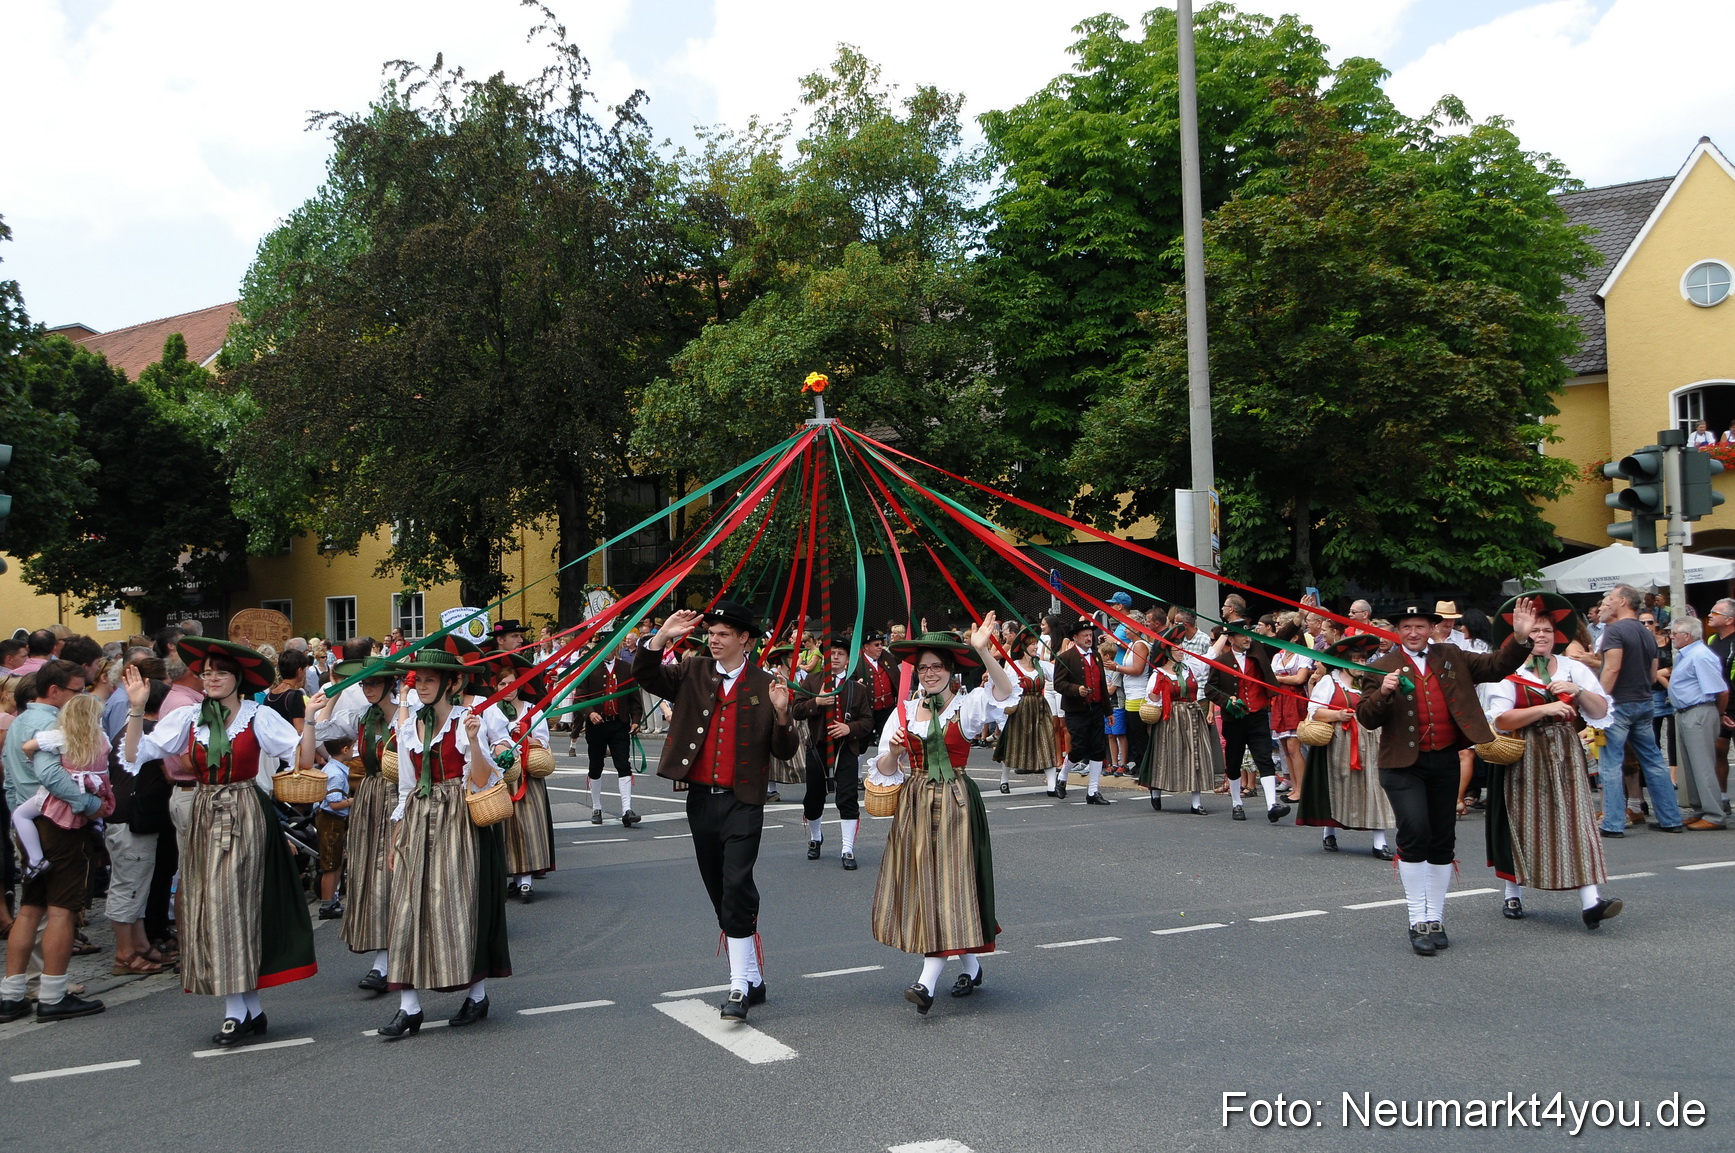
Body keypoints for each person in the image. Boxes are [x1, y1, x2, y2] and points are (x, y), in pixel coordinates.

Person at [119, 638, 317, 1042]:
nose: (211, 678)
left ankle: (238, 1010)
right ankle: (247, 1009)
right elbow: (135, 754)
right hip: (205, 811)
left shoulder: (257, 715)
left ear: (236, 678)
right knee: (214, 907)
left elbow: (302, 761)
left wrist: (310, 718)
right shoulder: (190, 718)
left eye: (220, 672)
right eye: (207, 672)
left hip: (246, 810)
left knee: (238, 904)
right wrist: (138, 708)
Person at [634, 601, 796, 1023]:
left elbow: (785, 750)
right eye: (712, 633)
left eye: (724, 634)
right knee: (717, 887)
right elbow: (645, 674)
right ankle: (753, 976)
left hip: (744, 801)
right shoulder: (693, 670)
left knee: (737, 882)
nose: (714, 639)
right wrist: (662, 636)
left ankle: (738, 987)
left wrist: (781, 714)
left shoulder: (764, 682)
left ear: (744, 639)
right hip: (702, 799)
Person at [1356, 599, 1536, 956]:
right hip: (1401, 765)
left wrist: (1519, 638)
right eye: (1406, 627)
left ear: (1433, 629)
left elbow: (1497, 666)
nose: (1413, 633)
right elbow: (1366, 717)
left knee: (1442, 841)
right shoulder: (1382, 667)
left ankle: (1435, 919)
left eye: (1420, 626)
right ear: (1397, 631)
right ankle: (1416, 920)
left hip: (1443, 761)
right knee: (1415, 832)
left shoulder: (1452, 655)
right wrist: (1384, 692)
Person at [871, 617, 1018, 1013]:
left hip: (955, 801)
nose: (930, 673)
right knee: (929, 887)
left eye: (937, 666)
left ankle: (925, 982)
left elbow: (1006, 693)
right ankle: (971, 964)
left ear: (951, 670)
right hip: (915, 802)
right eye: (923, 667)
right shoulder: (903, 712)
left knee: (948, 884)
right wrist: (896, 752)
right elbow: (884, 771)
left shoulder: (966, 705)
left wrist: (984, 649)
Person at [378, 636, 511, 1039]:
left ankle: (476, 993)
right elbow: (404, 785)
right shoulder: (408, 726)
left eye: (430, 680)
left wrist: (474, 739)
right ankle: (409, 1006)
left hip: (459, 820)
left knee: (459, 906)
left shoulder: (469, 719)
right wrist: (396, 834)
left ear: (450, 684)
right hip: (419, 817)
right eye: (419, 679)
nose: (421, 686)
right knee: (407, 907)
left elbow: (485, 780)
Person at [1482, 598, 1621, 928]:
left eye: (1547, 629)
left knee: (1578, 823)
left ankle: (1591, 902)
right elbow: (1502, 720)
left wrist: (1576, 691)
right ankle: (1512, 891)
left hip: (1565, 754)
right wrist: (1544, 709)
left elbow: (1601, 712)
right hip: (1522, 753)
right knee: (1521, 822)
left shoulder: (1574, 668)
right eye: (1534, 629)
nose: (1541, 635)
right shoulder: (1506, 671)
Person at [308, 656, 399, 991]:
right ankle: (383, 961)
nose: (368, 688)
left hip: (403, 798)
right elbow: (319, 730)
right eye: (364, 683)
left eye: (374, 683)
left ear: (390, 684)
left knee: (398, 875)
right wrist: (335, 692)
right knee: (373, 877)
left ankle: (403, 955)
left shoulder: (410, 716)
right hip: (371, 798)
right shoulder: (361, 717)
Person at [1594, 584, 1684, 836]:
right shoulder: (1647, 632)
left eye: (1610, 598)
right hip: (1644, 701)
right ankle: (1670, 818)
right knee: (1654, 760)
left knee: (1611, 763)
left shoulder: (1615, 631)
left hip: (1619, 703)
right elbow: (1653, 670)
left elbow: (1611, 669)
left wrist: (1599, 701)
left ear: (1623, 601)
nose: (1607, 602)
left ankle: (1613, 823)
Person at [1296, 634, 1396, 858]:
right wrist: (1338, 714)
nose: (1360, 665)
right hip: (1340, 744)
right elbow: (1314, 712)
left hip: (1371, 742)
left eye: (1363, 661)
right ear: (1344, 662)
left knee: (1376, 789)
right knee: (1338, 788)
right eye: (1355, 661)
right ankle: (1329, 830)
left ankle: (1379, 842)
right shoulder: (1329, 681)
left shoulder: (1370, 682)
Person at [792, 636, 873, 869]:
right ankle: (816, 837)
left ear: (848, 660)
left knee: (847, 797)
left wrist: (850, 728)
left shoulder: (856, 688)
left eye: (840, 653)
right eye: (831, 653)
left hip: (846, 749)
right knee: (813, 798)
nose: (835, 657)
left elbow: (868, 721)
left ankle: (847, 849)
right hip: (817, 747)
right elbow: (796, 710)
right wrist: (815, 702)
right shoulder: (810, 681)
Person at [484, 652, 558, 899]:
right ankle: (512, 877)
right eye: (503, 684)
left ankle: (526, 878)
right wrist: (504, 739)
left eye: (513, 683)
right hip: (503, 776)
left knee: (527, 826)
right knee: (506, 828)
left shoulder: (531, 709)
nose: (508, 688)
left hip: (528, 774)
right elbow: (488, 740)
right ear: (496, 686)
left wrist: (527, 737)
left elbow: (543, 739)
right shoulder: (491, 710)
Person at [1206, 631, 1290, 822]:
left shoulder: (1258, 652)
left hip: (1258, 715)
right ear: (1231, 639)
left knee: (1264, 759)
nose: (1247, 639)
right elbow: (1210, 689)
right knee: (1234, 762)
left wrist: (1297, 619)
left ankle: (1272, 805)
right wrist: (1227, 700)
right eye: (1242, 636)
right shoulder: (1222, 661)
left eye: (1248, 635)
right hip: (1234, 719)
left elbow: (1280, 638)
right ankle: (1237, 803)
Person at [1136, 626, 1219, 813]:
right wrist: (1159, 694)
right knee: (1166, 756)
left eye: (1182, 647)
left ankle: (1196, 803)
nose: (1181, 651)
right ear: (1167, 652)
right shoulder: (1158, 675)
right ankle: (1156, 791)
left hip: (1192, 717)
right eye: (1177, 648)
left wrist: (1225, 633)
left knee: (1196, 756)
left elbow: (1211, 655)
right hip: (1170, 720)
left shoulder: (1190, 667)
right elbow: (1152, 700)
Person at [1667, 616, 1728, 831]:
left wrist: (1718, 715)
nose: (1671, 637)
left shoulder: (1700, 656)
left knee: (1702, 765)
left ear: (1687, 636)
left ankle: (1714, 814)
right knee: (1692, 765)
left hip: (1699, 710)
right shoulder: (1688, 655)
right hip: (1687, 711)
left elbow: (1721, 690)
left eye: (1675, 633)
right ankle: (1700, 809)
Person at [578, 639, 643, 830]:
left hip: (619, 724)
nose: (608, 650)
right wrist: (590, 712)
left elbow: (634, 696)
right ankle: (596, 807)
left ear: (617, 647)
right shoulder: (589, 667)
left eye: (612, 646)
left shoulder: (626, 667)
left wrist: (636, 720)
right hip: (596, 725)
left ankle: (627, 810)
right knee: (596, 764)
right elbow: (581, 694)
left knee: (623, 764)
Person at [1052, 617, 1113, 805]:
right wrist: (1076, 690)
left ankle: (1093, 791)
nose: (1089, 638)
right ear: (1075, 637)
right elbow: (1059, 684)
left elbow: (1102, 684)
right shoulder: (1065, 658)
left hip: (1095, 708)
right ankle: (1062, 777)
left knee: (1097, 748)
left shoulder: (1095, 656)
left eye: (1090, 635)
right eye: (1085, 635)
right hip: (1076, 710)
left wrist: (1108, 711)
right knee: (1078, 747)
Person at [995, 628, 1060, 796]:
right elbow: (1005, 688)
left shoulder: (1042, 665)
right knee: (1013, 744)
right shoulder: (1013, 668)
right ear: (1023, 648)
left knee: (1047, 742)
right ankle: (1004, 780)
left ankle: (1052, 786)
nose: (1036, 648)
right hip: (1020, 708)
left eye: (1036, 644)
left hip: (1040, 707)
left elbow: (1060, 677)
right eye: (1032, 645)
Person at [314, 739, 352, 920]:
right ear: (345, 749)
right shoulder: (336, 773)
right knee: (330, 864)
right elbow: (335, 803)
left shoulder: (332, 768)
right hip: (331, 820)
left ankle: (333, 899)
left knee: (336, 861)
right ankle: (327, 904)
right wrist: (353, 801)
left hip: (333, 820)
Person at [858, 632, 899, 743]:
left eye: (881, 644)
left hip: (888, 708)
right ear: (866, 647)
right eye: (877, 645)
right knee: (862, 743)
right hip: (868, 711)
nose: (880, 647)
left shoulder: (886, 655)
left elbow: (901, 656)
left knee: (889, 739)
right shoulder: (857, 662)